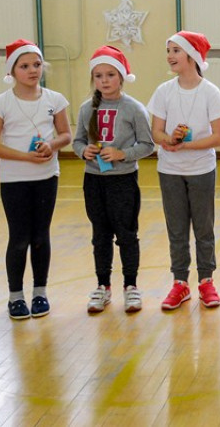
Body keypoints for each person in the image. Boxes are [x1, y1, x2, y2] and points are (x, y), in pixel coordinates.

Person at [0, 39, 72, 320]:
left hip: (46, 177)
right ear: (12, 70)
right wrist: (25, 157)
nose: (32, 70)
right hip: (14, 180)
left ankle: (40, 292)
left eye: (36, 65)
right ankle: (16, 296)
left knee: (40, 236)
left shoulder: (54, 99)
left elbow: (66, 134)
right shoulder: (1, 103)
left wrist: (52, 146)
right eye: (24, 66)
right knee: (19, 238)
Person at [147, 31, 220, 310]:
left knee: (204, 228)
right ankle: (180, 283)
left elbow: (219, 137)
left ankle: (206, 280)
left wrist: (187, 145)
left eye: (175, 50)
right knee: (177, 229)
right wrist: (168, 140)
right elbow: (156, 132)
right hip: (169, 171)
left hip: (201, 170)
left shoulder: (211, 92)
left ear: (192, 56)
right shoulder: (163, 91)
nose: (169, 55)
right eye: (168, 50)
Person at [72, 46, 155, 314]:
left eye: (110, 74)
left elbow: (147, 144)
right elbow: (77, 141)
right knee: (100, 235)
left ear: (121, 77)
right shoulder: (87, 109)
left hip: (123, 181)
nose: (104, 80)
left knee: (127, 234)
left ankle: (131, 286)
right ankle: (103, 286)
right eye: (98, 75)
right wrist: (83, 151)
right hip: (94, 181)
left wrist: (122, 154)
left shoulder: (133, 108)